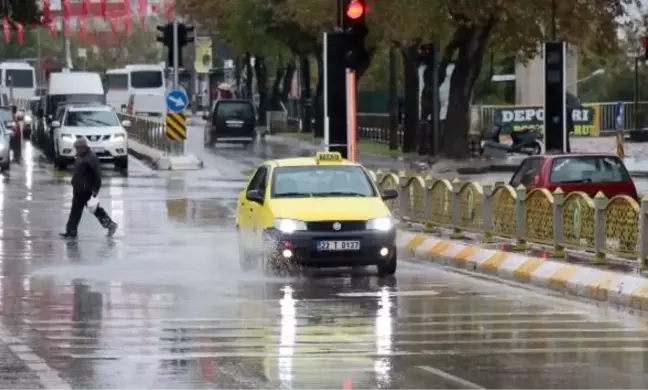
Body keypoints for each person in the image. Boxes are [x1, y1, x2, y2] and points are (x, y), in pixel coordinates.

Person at [60, 138, 118, 238]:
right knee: (75, 211)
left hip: (87, 190)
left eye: (77, 148)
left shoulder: (91, 158)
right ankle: (71, 231)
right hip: (79, 189)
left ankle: (110, 225)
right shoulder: (81, 156)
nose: (76, 149)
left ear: (83, 147)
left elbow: (97, 176)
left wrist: (95, 190)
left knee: (95, 210)